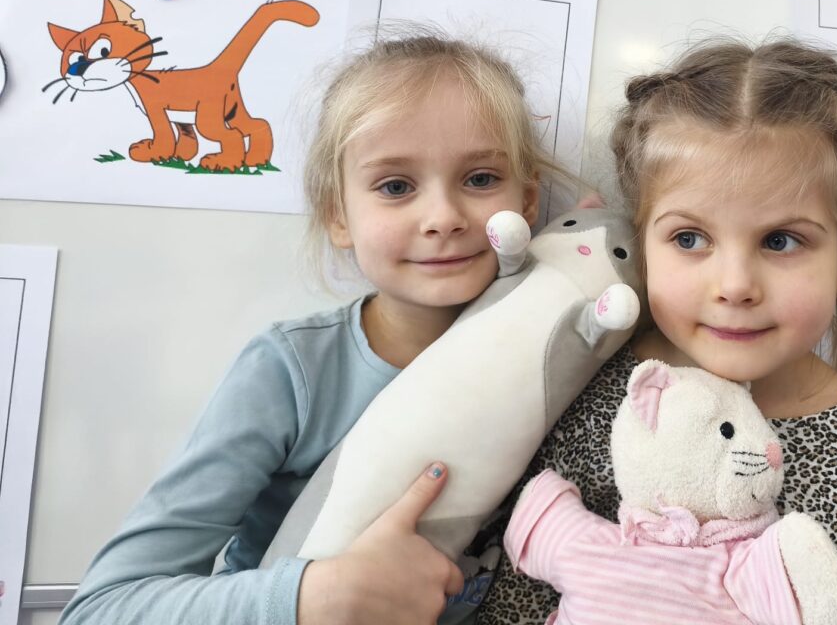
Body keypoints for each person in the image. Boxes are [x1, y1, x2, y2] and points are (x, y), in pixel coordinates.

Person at [60, 34, 563, 625]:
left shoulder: (562, 352)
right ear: (337, 214)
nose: (444, 218)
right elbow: (100, 610)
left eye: (479, 179)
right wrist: (314, 597)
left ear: (528, 201)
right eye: (395, 187)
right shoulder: (290, 371)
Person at [478, 38, 837, 624]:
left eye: (781, 240)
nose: (735, 285)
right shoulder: (593, 403)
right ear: (643, 242)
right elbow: (517, 604)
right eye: (689, 239)